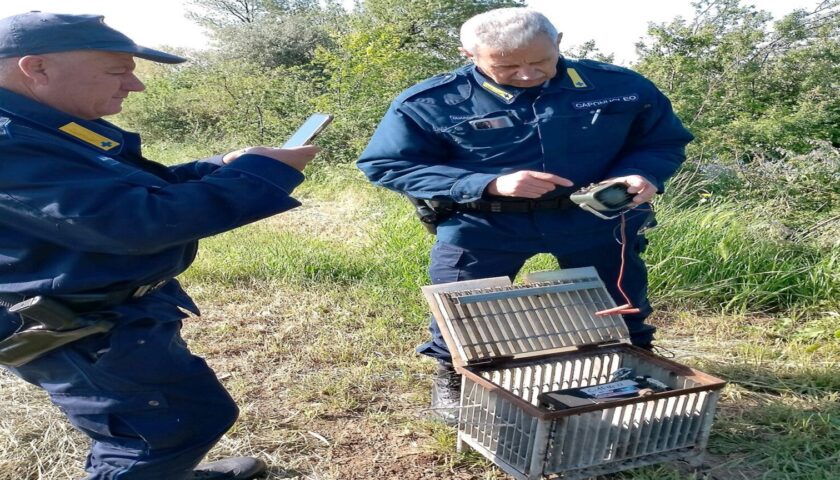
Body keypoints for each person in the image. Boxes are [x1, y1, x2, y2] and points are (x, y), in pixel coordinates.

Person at [0, 12, 320, 480]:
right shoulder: (10, 143)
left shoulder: (47, 126)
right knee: (156, 435)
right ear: (36, 67)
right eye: (118, 70)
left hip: (110, 314)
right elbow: (136, 223)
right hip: (75, 327)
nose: (135, 86)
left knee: (186, 415)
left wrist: (223, 165)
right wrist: (264, 174)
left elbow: (132, 191)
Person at [357, 8, 693, 422]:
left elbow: (663, 141)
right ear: (469, 53)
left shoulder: (620, 87)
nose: (528, 74)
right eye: (507, 66)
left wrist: (644, 174)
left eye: (540, 62)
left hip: (593, 217)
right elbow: (387, 164)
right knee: (462, 305)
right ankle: (454, 375)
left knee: (620, 299)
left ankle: (636, 363)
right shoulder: (429, 102)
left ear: (559, 42)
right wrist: (488, 184)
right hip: (485, 221)